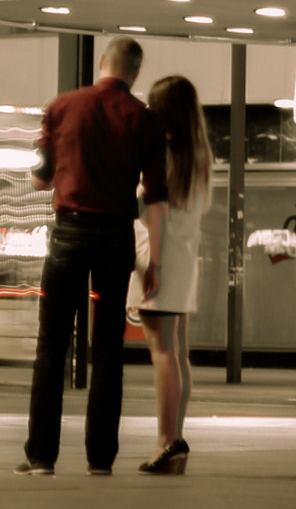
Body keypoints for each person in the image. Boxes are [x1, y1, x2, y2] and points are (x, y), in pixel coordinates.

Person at [17, 37, 168, 476]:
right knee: (107, 350)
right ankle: (100, 459)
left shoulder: (61, 107)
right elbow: (155, 198)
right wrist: (153, 260)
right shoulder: (145, 119)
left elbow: (40, 182)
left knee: (51, 345)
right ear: (135, 73)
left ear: (102, 64)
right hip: (116, 238)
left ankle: (41, 457)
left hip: (69, 236)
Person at [129, 75, 211, 475]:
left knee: (161, 352)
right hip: (184, 257)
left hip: (156, 255)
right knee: (178, 352)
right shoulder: (198, 155)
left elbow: (146, 207)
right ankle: (174, 435)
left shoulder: (163, 155)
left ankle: (167, 441)